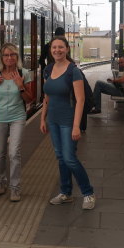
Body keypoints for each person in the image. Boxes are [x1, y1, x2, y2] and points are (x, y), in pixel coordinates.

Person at [40, 36, 96, 210]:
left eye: (61, 47)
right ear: (51, 49)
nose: (57, 50)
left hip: (68, 120)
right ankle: (66, 193)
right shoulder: (48, 70)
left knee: (70, 158)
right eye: (54, 47)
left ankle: (88, 193)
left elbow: (80, 100)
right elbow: (47, 97)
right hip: (53, 120)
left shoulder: (73, 71)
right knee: (60, 157)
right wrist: (43, 118)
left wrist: (76, 126)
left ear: (67, 49)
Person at [0, 43, 33, 202]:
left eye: (12, 55)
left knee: (14, 153)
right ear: (2, 58)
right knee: (0, 153)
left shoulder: (23, 73)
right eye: (6, 55)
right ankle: (1, 182)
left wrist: (20, 86)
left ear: (17, 57)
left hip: (17, 117)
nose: (9, 58)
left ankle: (15, 188)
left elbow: (29, 99)